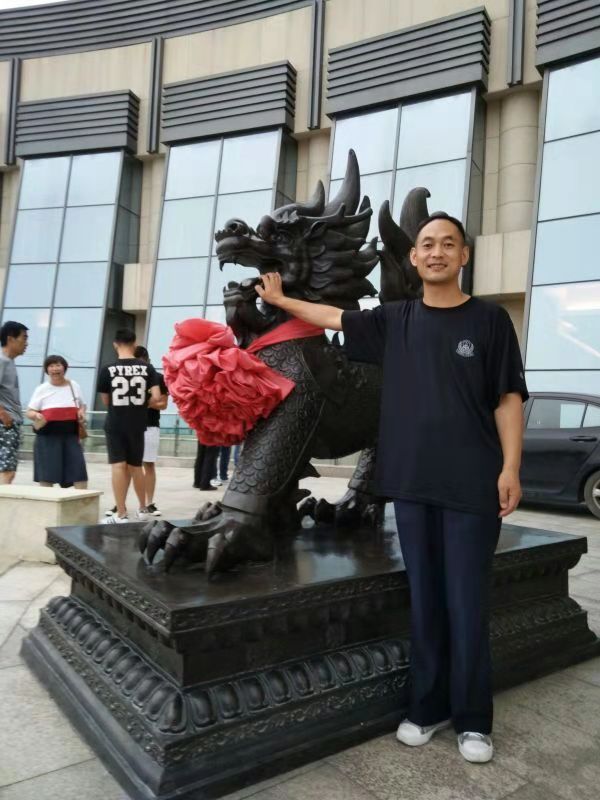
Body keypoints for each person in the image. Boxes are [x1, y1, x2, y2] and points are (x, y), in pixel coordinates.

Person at [255, 212, 528, 764]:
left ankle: (474, 720)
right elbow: (333, 316)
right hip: (411, 482)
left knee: (467, 601)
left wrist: (510, 469)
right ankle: (427, 708)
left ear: (463, 256)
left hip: (472, 482)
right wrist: (282, 301)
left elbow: (508, 399)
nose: (436, 252)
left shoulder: (490, 320)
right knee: (425, 599)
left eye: (448, 244)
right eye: (427, 244)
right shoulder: (395, 320)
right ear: (414, 258)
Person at [97, 329, 161, 524]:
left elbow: (106, 400)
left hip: (116, 423)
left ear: (115, 344)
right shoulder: (147, 369)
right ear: (134, 343)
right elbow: (157, 397)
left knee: (118, 466)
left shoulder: (107, 369)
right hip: (138, 423)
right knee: (136, 466)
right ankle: (142, 509)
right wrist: (141, 404)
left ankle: (121, 513)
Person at [26, 355, 87, 488]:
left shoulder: (74, 385)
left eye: (58, 365)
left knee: (79, 473)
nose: (55, 369)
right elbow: (29, 412)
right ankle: (46, 501)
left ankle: (83, 500)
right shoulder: (42, 389)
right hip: (47, 438)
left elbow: (82, 405)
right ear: (47, 370)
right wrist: (37, 415)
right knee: (47, 476)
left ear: (64, 368)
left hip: (71, 437)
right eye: (51, 366)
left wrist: (81, 412)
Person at [134, 345, 168, 515]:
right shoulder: (129, 378)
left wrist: (145, 402)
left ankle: (150, 502)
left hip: (151, 425)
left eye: (142, 362)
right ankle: (121, 504)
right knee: (128, 466)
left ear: (147, 360)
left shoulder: (159, 378)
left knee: (148, 464)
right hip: (130, 425)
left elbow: (163, 404)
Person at [0, 321, 28, 484]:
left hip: (9, 423)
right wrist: (3, 415)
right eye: (24, 338)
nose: (26, 343)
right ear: (10, 339)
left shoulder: (8, 361)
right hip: (5, 424)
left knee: (7, 470)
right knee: (7, 471)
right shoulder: (2, 360)